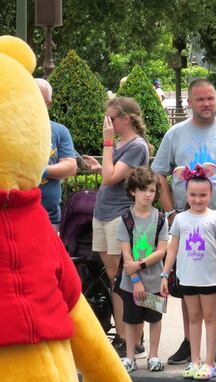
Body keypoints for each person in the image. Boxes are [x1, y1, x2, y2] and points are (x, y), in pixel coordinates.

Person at [152, 78, 216, 365]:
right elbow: (159, 173)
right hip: (188, 224)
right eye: (200, 99)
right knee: (189, 283)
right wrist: (171, 211)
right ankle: (189, 340)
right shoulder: (175, 134)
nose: (206, 104)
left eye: (210, 98)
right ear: (190, 103)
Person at [81, 97, 151, 358]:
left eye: (111, 118)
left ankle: (129, 337)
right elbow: (111, 175)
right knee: (114, 279)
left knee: (123, 279)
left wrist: (107, 143)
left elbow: (111, 177)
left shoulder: (136, 146)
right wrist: (100, 166)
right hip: (103, 214)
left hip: (118, 216)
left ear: (126, 119)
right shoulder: (122, 144)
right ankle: (127, 335)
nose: (107, 123)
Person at [160, 166, 216, 380]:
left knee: (210, 318)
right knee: (193, 318)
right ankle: (194, 361)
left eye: (203, 195)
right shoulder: (180, 219)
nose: (198, 199)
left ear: (211, 194)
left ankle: (210, 363)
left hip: (210, 279)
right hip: (187, 277)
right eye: (193, 195)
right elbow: (172, 248)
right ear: (186, 194)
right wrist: (165, 274)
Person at [116, 167, 168, 373]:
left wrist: (140, 265)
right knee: (131, 319)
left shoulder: (160, 218)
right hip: (131, 283)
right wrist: (135, 278)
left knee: (155, 317)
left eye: (152, 190)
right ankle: (130, 356)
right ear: (133, 191)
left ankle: (153, 355)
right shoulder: (126, 219)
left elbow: (161, 250)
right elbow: (126, 254)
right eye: (143, 189)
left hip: (154, 280)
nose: (148, 194)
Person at [35, 78, 77, 230]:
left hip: (49, 218)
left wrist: (38, 170)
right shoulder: (12, 129)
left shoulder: (59, 131)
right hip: (15, 214)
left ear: (48, 104)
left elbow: (70, 167)